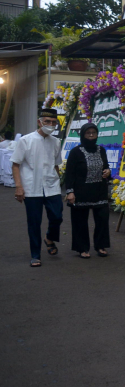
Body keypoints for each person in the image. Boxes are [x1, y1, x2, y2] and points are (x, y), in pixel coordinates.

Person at [12, 108, 63, 267]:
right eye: (47, 121)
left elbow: (56, 165)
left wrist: (59, 182)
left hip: (51, 186)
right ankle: (35, 255)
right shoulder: (26, 140)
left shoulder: (56, 141)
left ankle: (49, 237)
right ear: (39, 122)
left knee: (57, 216)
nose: (51, 125)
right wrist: (19, 187)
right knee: (34, 223)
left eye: (54, 122)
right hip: (31, 187)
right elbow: (15, 165)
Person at [65, 122, 111, 258]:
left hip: (99, 191)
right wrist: (70, 192)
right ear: (83, 135)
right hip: (81, 193)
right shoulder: (75, 152)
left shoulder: (101, 150)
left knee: (102, 219)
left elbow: (106, 167)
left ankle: (101, 246)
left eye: (94, 133)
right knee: (80, 221)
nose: (91, 135)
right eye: (88, 133)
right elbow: (69, 174)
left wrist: (108, 172)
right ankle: (82, 248)